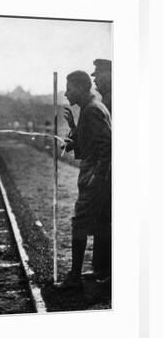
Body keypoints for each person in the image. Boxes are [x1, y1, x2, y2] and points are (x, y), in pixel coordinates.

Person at [58, 71, 111, 289]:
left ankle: (74, 278)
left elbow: (108, 145)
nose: (66, 93)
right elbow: (91, 143)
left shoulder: (92, 110)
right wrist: (74, 135)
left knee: (79, 222)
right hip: (95, 176)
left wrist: (96, 177)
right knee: (101, 223)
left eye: (69, 89)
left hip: (95, 178)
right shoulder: (90, 108)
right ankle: (104, 272)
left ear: (80, 87)